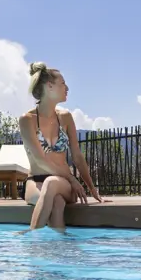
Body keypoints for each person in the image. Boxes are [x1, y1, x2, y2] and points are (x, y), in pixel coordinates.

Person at [19, 61, 103, 231]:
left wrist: (92, 189)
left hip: (63, 183)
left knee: (52, 184)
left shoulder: (65, 118)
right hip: (36, 182)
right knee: (57, 203)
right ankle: (59, 249)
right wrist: (73, 178)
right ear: (49, 87)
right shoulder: (27, 120)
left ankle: (31, 240)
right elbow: (40, 160)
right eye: (63, 83)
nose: (67, 88)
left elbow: (77, 157)